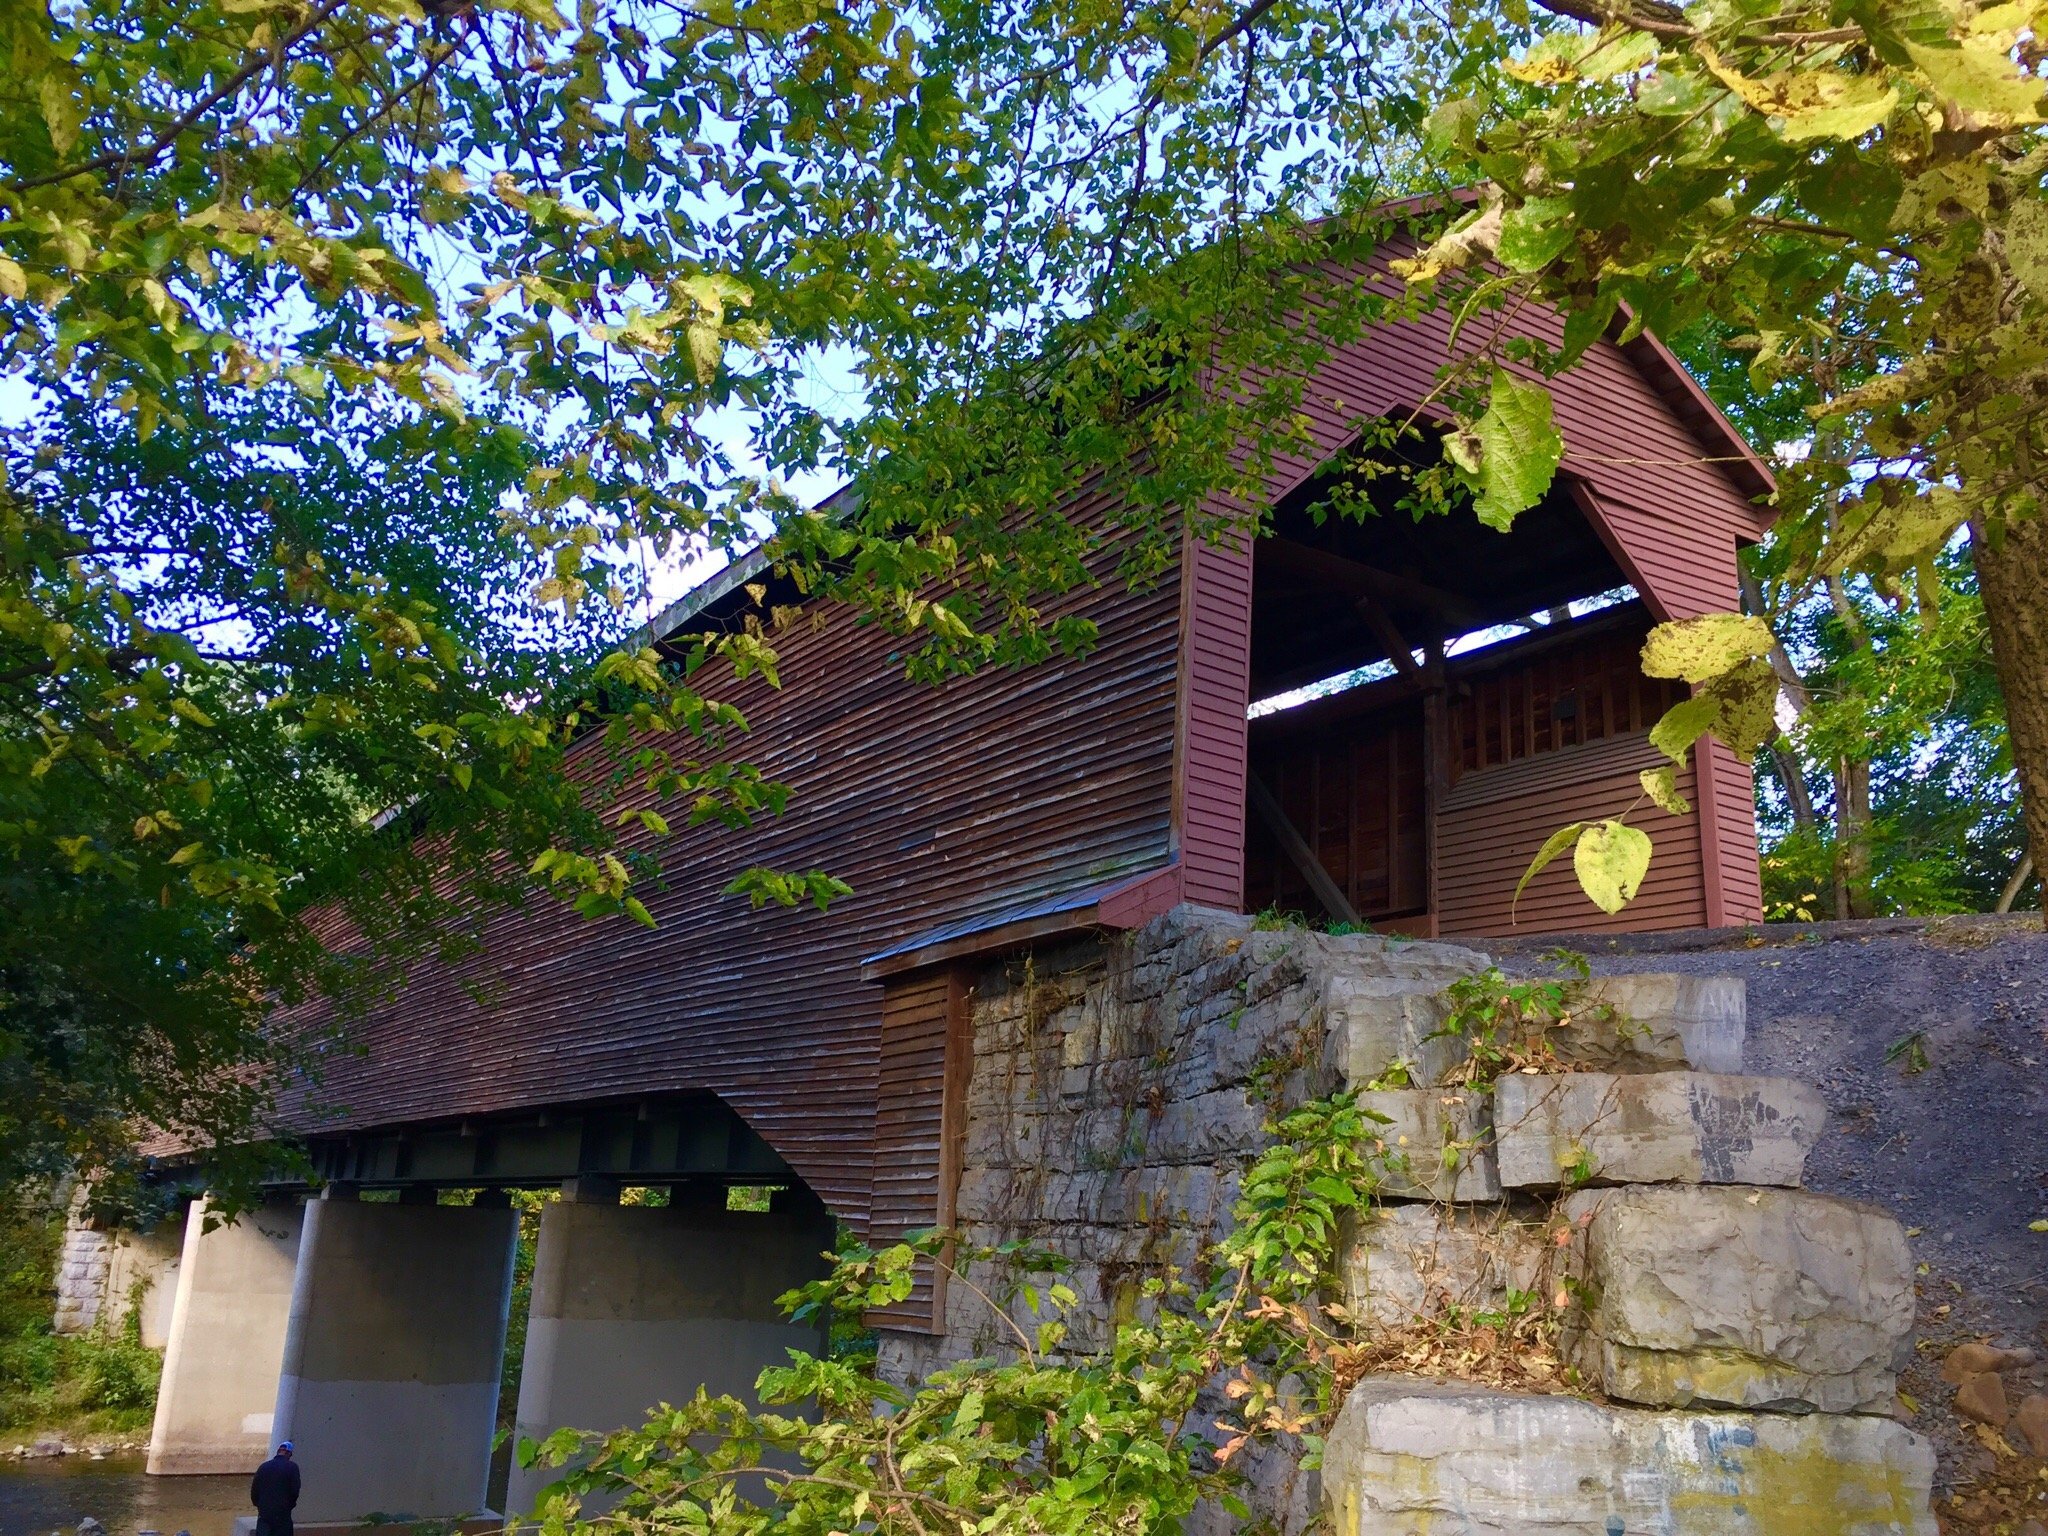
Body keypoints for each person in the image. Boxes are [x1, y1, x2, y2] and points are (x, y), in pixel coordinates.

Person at [250, 1441, 300, 1536]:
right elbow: (295, 1491)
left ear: (278, 1451)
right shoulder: (292, 1467)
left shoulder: (263, 1467)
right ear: (289, 1453)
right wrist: (290, 1505)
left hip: (264, 1512)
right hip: (282, 1512)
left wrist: (259, 1505)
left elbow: (254, 1490)